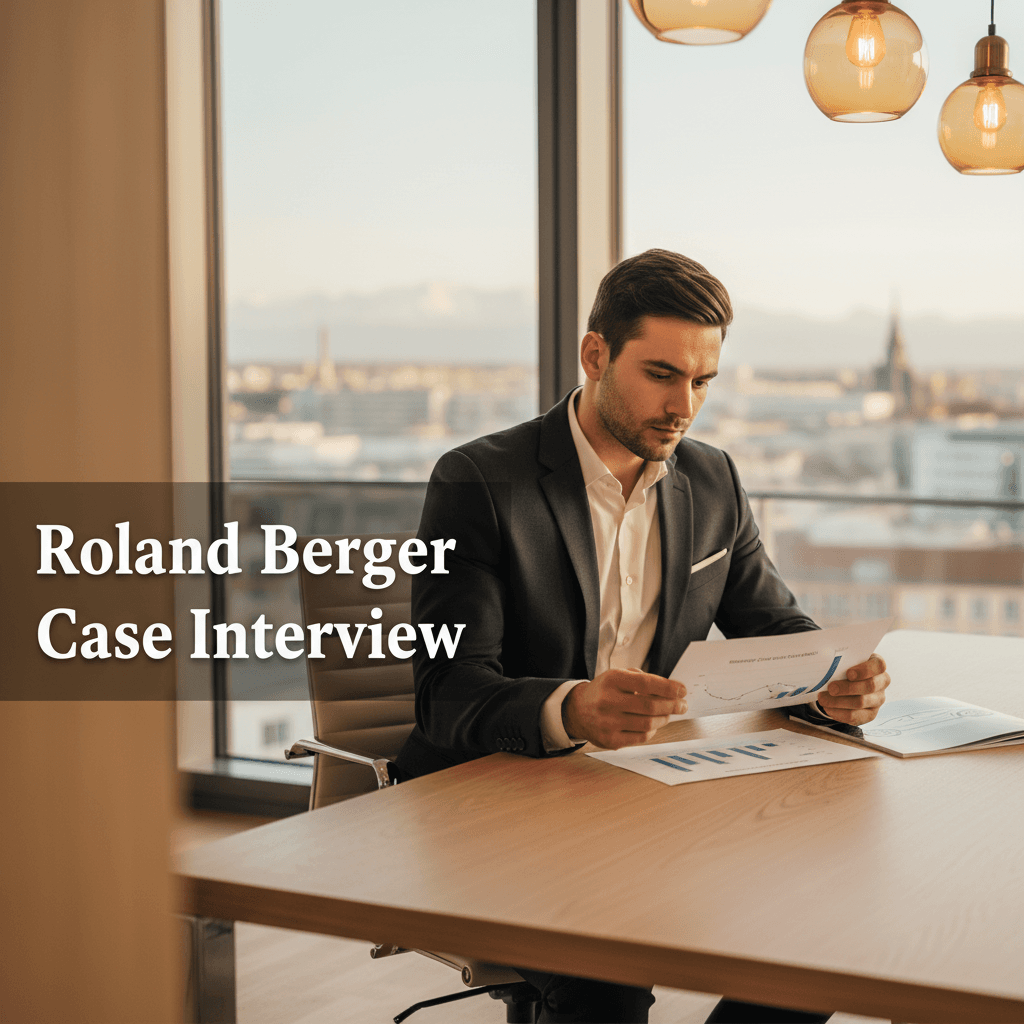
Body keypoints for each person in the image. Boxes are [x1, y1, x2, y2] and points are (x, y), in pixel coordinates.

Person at [395, 249, 890, 1023]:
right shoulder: (481, 482)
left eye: (702, 381)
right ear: (595, 355)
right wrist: (573, 708)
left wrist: (836, 680)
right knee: (607, 978)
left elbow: (777, 626)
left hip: (647, 798)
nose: (684, 404)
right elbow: (448, 695)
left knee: (820, 938)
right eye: (661, 374)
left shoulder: (712, 478)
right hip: (493, 799)